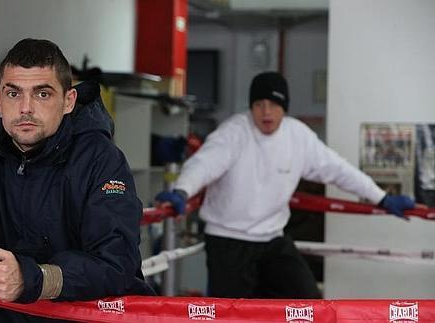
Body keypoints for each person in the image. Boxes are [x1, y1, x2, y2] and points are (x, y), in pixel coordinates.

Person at [0, 38, 153, 322]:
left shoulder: (100, 158)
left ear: (68, 101)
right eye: (13, 94)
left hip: (91, 317)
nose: (25, 108)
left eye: (42, 94)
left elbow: (116, 261)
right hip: (10, 315)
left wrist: (36, 278)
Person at [155, 71, 415, 299]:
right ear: (251, 107)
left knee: (307, 303)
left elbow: (339, 170)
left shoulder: (298, 137)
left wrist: (382, 198)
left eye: (273, 104)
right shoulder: (234, 132)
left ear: (285, 108)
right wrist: (181, 191)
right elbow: (203, 164)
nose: (266, 111)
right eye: (259, 104)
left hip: (272, 239)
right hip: (228, 240)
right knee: (234, 316)